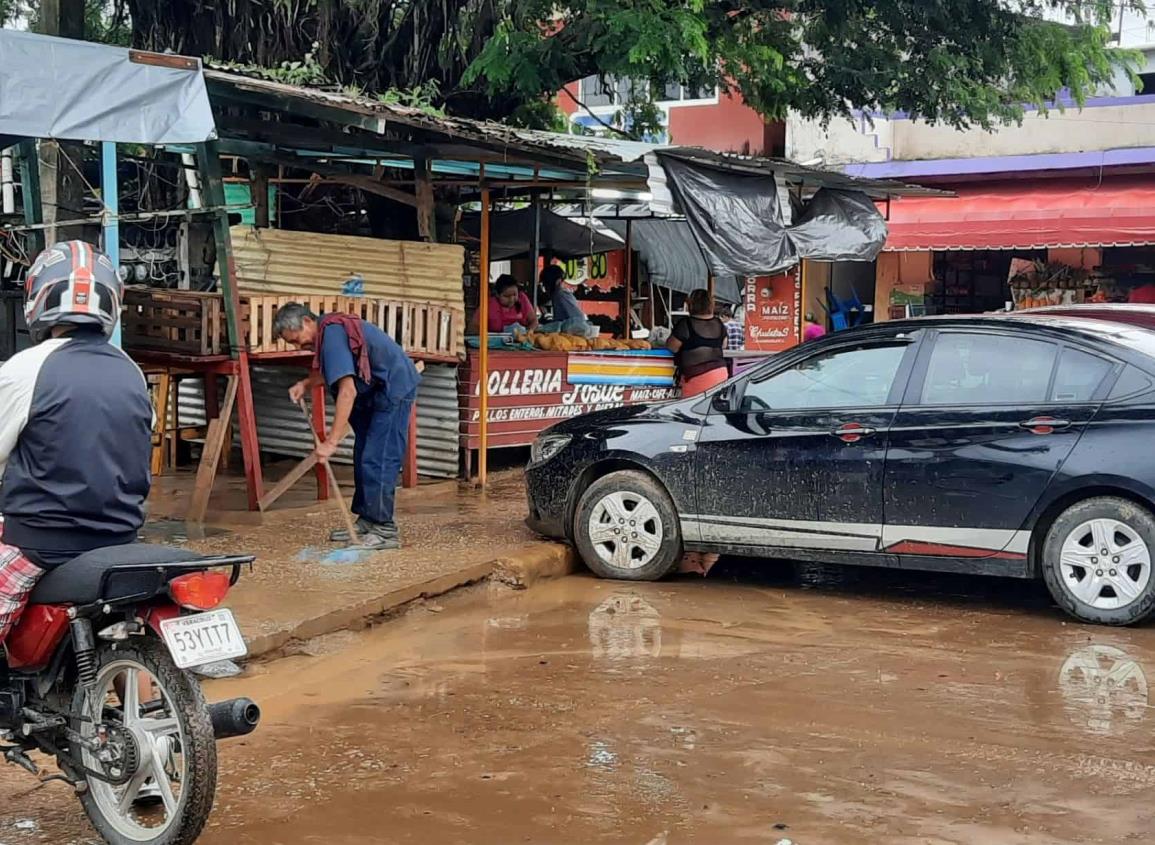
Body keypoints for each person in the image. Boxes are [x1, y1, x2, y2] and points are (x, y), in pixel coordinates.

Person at [0, 241, 153, 643]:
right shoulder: (132, 371)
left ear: (39, 295)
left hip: (41, 544)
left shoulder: (26, 368)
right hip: (121, 538)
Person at [278, 303, 421, 551]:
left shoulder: (331, 335)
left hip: (392, 389)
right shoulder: (327, 334)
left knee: (378, 457)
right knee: (364, 454)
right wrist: (306, 383)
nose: (300, 347)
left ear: (306, 322)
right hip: (376, 391)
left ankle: (385, 530)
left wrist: (331, 442)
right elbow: (337, 370)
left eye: (297, 340)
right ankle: (367, 520)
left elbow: (347, 391)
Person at [667, 289, 729, 396]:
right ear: (710, 304)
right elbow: (724, 345)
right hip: (720, 373)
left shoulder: (685, 324)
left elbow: (672, 347)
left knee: (689, 409)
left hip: (697, 376)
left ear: (691, 304)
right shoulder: (718, 323)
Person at [468, 274, 539, 335]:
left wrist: (529, 331)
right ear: (497, 295)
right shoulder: (489, 304)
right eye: (506, 296)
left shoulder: (522, 298)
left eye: (514, 295)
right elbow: (473, 326)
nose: (511, 299)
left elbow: (533, 320)